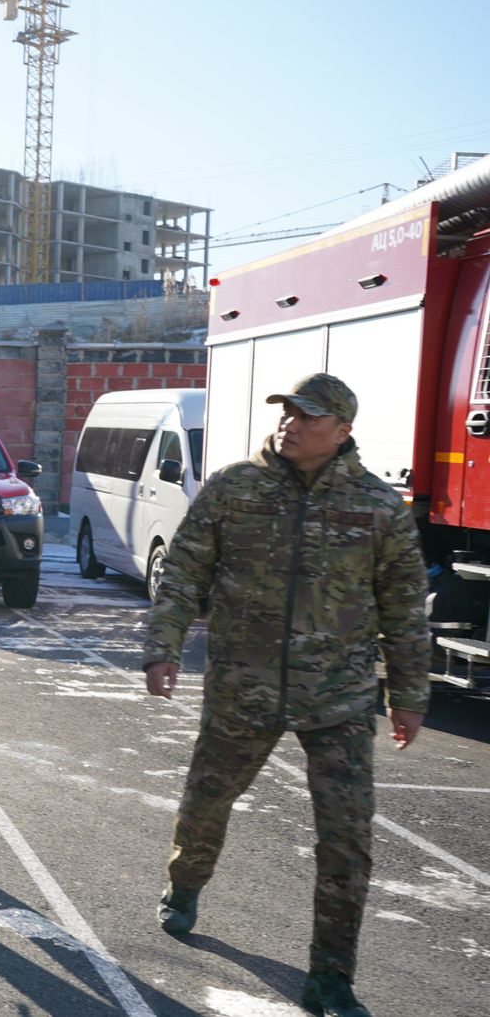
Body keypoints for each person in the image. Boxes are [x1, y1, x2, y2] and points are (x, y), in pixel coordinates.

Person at [143, 373, 431, 1017]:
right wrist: (163, 646)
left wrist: (409, 694)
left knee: (346, 838)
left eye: (307, 417)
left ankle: (331, 975)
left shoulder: (378, 506)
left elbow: (405, 607)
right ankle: (185, 883)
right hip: (243, 687)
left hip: (339, 697)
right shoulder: (235, 488)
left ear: (343, 430)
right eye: (287, 412)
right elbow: (184, 570)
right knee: (206, 804)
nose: (290, 424)